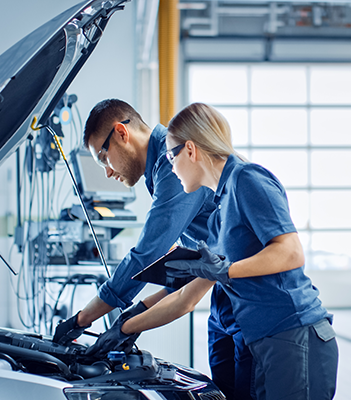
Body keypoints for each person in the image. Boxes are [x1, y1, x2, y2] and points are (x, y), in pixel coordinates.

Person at [87, 102, 339, 400]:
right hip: (263, 338)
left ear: (190, 151)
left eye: (170, 156)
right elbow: (186, 294)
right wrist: (127, 325)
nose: (168, 167)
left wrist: (225, 270)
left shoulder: (248, 180)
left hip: (292, 332)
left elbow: (291, 253)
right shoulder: (219, 210)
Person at [51, 99, 222, 377]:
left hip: (256, 304)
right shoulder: (159, 173)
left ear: (121, 133)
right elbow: (191, 269)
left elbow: (146, 254)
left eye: (104, 158)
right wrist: (134, 316)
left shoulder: (174, 163)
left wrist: (83, 320)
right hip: (225, 304)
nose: (107, 171)